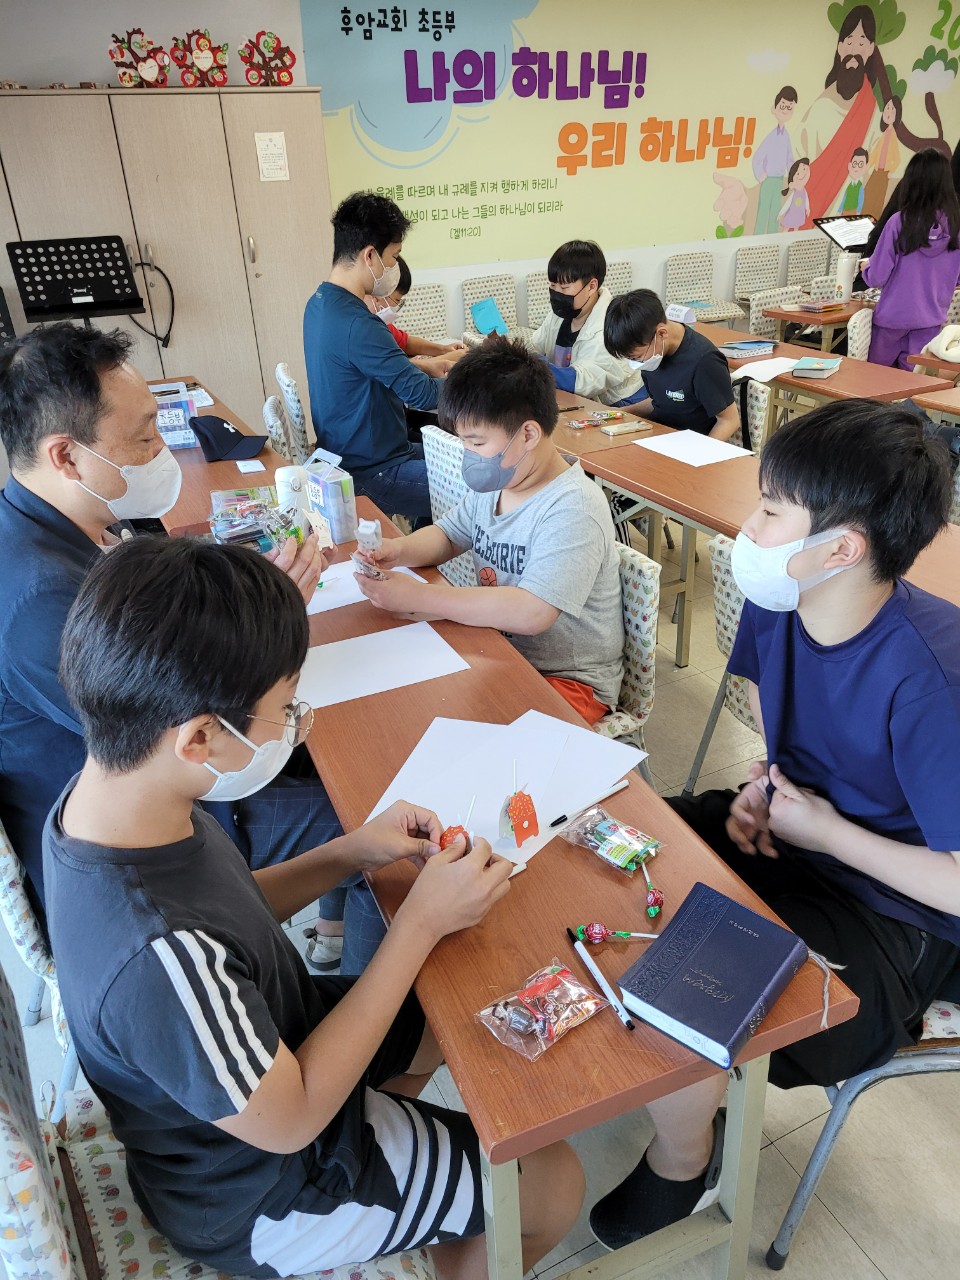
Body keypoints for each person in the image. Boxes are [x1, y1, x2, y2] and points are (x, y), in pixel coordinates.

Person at [45, 535, 583, 1279]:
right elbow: (292, 1119)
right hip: (258, 1192)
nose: (297, 723)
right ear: (200, 737)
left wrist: (350, 852)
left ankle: (402, 1160)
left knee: (450, 1006)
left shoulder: (118, 797)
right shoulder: (156, 955)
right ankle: (406, 1195)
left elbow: (230, 908)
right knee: (552, 1184)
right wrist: (418, 924)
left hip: (274, 1056)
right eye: (284, 710)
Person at [588, 400, 960, 1249]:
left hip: (897, 917)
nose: (747, 530)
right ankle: (675, 1084)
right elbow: (774, 711)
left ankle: (684, 1158)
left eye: (769, 511)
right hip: (801, 834)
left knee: (694, 979)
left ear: (842, 549)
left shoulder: (933, 678)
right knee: (618, 843)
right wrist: (767, 786)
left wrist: (828, 834)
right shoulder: (784, 599)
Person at [0, 323, 336, 922]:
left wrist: (248, 594)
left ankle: (333, 927)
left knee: (328, 751)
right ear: (66, 456)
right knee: (354, 806)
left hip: (162, 778)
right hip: (143, 848)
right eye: (143, 437)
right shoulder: (41, 601)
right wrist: (271, 614)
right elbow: (191, 730)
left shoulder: (66, 527)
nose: (161, 448)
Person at [356, 337, 624, 724]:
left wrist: (421, 596)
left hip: (567, 680)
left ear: (528, 435)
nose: (468, 455)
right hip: (497, 648)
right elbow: (448, 534)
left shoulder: (573, 506)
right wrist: (398, 551)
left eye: (476, 443)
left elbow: (532, 611)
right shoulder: (500, 484)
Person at [304, 192, 462, 524]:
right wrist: (479, 384)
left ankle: (428, 539)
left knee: (468, 459)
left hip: (352, 454)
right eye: (394, 257)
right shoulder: (359, 323)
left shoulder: (318, 304)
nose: (393, 268)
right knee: (485, 484)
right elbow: (421, 394)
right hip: (373, 471)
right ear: (370, 255)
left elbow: (361, 372)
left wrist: (424, 365)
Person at [862, 148, 960, 369]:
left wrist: (866, 268)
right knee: (913, 382)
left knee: (874, 379)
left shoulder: (898, 222)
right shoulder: (956, 227)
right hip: (931, 321)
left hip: (891, 319)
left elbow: (877, 277)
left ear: (911, 181)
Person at [603, 290, 740, 440]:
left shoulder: (705, 362)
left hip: (690, 443)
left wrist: (700, 452)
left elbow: (729, 421)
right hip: (658, 435)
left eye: (637, 357)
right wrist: (625, 411)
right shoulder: (655, 352)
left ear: (661, 334)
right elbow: (661, 400)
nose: (637, 363)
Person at [526, 239, 644, 406]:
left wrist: (532, 364)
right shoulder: (562, 313)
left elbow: (581, 383)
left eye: (564, 288)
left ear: (591, 286)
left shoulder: (612, 326)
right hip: (577, 398)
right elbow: (535, 344)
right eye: (552, 285)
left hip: (621, 404)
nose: (557, 293)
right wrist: (508, 349)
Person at [365, 254, 465, 360]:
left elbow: (406, 343)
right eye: (397, 300)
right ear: (375, 296)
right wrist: (446, 359)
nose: (397, 306)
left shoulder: (381, 325)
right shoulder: (363, 331)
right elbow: (394, 366)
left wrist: (443, 349)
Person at [752, 86, 798, 235]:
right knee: (763, 210)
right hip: (768, 180)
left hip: (779, 180)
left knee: (775, 212)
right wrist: (761, 174)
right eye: (783, 106)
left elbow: (790, 159)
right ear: (774, 108)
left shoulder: (786, 136)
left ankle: (772, 239)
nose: (785, 110)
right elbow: (757, 158)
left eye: (789, 107)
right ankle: (757, 239)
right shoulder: (771, 137)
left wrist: (792, 178)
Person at [864, 97, 901, 218]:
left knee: (878, 199)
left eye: (892, 109)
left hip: (884, 173)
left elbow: (897, 159)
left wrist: (890, 171)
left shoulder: (893, 136)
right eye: (887, 108)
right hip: (876, 171)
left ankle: (872, 220)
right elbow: (875, 153)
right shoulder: (884, 134)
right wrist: (868, 165)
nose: (888, 111)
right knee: (868, 194)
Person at [777, 157, 811, 231]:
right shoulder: (794, 193)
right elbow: (787, 204)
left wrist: (807, 209)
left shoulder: (804, 191)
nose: (802, 174)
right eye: (798, 173)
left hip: (799, 215)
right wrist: (780, 213)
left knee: (796, 229)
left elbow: (806, 200)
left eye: (804, 169)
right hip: (792, 214)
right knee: (787, 228)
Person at [836, 146, 868, 213]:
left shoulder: (860, 186)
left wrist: (858, 211)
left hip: (853, 211)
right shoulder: (849, 186)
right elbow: (844, 199)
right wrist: (839, 210)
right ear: (850, 166)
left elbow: (861, 200)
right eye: (855, 164)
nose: (856, 167)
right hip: (844, 211)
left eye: (861, 164)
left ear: (865, 167)